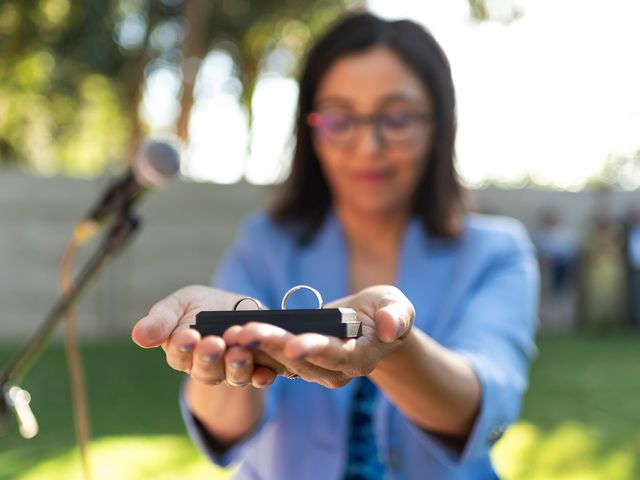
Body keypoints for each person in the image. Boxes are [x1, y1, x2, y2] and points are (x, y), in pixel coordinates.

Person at [132, 12, 539, 479]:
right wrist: (222, 352)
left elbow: (484, 406)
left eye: (397, 117)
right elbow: (226, 425)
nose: (368, 145)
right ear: (312, 128)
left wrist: (392, 345)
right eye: (340, 118)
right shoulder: (264, 243)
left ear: (439, 126)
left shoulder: (497, 253)